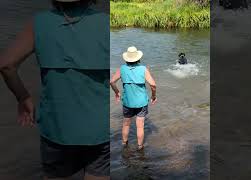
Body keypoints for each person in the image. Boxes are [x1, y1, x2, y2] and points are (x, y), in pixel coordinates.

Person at [0, 0, 110, 179]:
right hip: (99, 131)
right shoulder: (106, 23)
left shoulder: (39, 23)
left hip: (57, 129)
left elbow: (6, 65)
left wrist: (23, 98)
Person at [110, 46, 157, 150]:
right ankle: (140, 147)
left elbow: (112, 82)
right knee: (140, 126)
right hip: (141, 102)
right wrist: (153, 96)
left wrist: (117, 92)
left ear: (127, 58)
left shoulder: (122, 69)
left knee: (126, 124)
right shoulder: (143, 69)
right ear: (138, 58)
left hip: (127, 102)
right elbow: (153, 85)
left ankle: (124, 144)